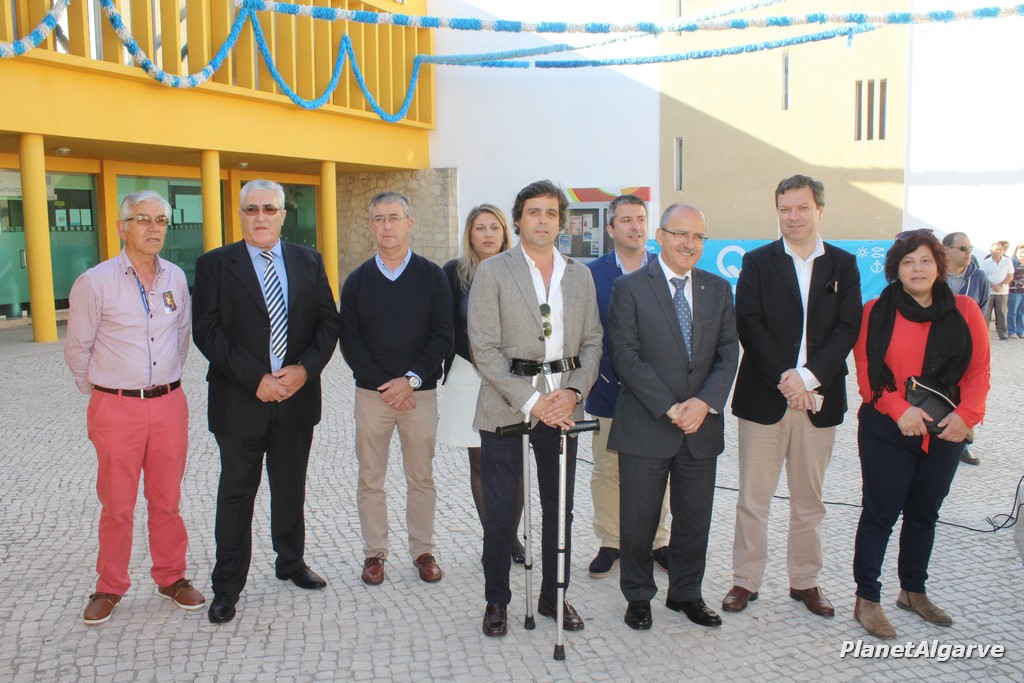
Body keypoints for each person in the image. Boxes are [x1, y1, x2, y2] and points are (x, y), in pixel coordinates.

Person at [193, 179, 340, 624]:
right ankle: (227, 585)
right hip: (240, 401)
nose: (261, 217)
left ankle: (290, 562)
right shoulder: (215, 265)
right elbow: (207, 331)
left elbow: (328, 323)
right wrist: (254, 379)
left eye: (269, 209)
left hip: (296, 399)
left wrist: (304, 370)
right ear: (240, 214)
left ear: (282, 215)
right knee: (236, 495)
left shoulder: (309, 261)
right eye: (252, 209)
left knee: (291, 488)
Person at [468, 179, 602, 637]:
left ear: (561, 222)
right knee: (501, 512)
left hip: (563, 404)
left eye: (551, 213)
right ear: (519, 219)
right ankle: (497, 600)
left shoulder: (580, 275)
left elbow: (593, 342)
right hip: (506, 403)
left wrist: (573, 393)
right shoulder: (493, 271)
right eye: (534, 212)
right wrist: (532, 401)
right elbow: (484, 350)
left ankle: (553, 595)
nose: (542, 220)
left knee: (559, 508)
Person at [65, 190, 205, 625]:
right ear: (122, 227)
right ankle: (110, 586)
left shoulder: (175, 278)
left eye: (161, 220)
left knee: (167, 500)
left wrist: (162, 382)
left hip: (168, 405)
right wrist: (106, 392)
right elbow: (78, 349)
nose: (153, 227)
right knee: (117, 504)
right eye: (143, 219)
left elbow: (181, 337)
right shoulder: (95, 282)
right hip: (116, 407)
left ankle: (171, 576)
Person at [726, 175, 862, 617]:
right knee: (753, 499)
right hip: (765, 396)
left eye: (802, 208)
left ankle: (805, 581)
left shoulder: (843, 264)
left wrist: (808, 377)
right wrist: (788, 378)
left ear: (819, 209)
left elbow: (848, 328)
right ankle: (745, 580)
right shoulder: (757, 262)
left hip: (819, 399)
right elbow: (749, 324)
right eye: (785, 209)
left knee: (809, 501)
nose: (793, 217)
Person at [851, 229, 990, 639]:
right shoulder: (876, 311)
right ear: (895, 269)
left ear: (939, 265)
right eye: (908, 262)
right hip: (887, 428)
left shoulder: (965, 310)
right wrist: (899, 409)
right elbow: (867, 371)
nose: (917, 269)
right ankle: (867, 599)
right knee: (880, 514)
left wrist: (968, 417)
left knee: (925, 514)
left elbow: (978, 370)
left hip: (945, 431)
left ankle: (913, 591)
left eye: (926, 260)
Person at [608, 204, 739, 631]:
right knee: (639, 519)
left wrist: (704, 403)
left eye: (698, 236)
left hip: (701, 425)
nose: (689, 243)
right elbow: (625, 355)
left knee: (694, 519)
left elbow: (728, 353)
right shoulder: (630, 288)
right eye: (681, 234)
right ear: (660, 236)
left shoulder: (718, 288)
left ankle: (685, 593)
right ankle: (638, 595)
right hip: (647, 422)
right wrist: (670, 407)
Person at [339, 191, 453, 587]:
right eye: (379, 218)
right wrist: (384, 386)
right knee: (371, 478)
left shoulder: (432, 276)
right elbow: (350, 340)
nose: (387, 225)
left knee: (421, 477)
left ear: (409, 223)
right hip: (372, 396)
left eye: (394, 217)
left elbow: (442, 335)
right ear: (371, 226)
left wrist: (411, 380)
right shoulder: (357, 282)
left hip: (419, 394)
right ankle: (374, 554)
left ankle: (423, 550)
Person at [585, 194, 671, 578]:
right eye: (626, 220)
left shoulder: (666, 269)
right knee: (607, 469)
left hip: (658, 393)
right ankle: (611, 541)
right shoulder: (591, 275)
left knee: (658, 468)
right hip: (608, 389)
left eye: (640, 219)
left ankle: (658, 541)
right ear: (610, 228)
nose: (635, 227)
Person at [438, 204, 524, 563]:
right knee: (480, 463)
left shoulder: (520, 270)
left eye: (494, 227)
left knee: (514, 463)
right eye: (480, 228)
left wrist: (503, 368)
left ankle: (510, 537)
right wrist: (479, 359)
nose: (487, 234)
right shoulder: (454, 272)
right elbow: (446, 325)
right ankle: (495, 539)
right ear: (469, 235)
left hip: (513, 379)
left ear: (505, 233)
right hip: (467, 375)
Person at [941, 231, 990, 466]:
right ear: (946, 250)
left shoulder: (978, 277)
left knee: (969, 394)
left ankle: (964, 443)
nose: (968, 252)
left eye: (970, 248)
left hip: (968, 346)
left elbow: (982, 307)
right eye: (963, 248)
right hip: (940, 345)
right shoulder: (935, 274)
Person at [982, 241, 1014, 340]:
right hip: (989, 292)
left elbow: (1010, 275)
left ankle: (1003, 334)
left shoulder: (1007, 261)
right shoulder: (986, 262)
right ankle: (984, 334)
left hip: (1002, 292)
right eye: (996, 249)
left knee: (1001, 313)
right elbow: (983, 276)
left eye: (1000, 249)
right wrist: (992, 285)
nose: (999, 251)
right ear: (991, 250)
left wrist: (1001, 285)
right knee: (986, 314)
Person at [1007, 244, 1024, 339]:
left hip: (1023, 292)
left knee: (1021, 313)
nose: (1022, 254)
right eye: (1021, 252)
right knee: (1012, 312)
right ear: (1016, 252)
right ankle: (1011, 331)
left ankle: (1020, 331)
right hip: (1014, 291)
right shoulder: (1013, 262)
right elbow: (1009, 274)